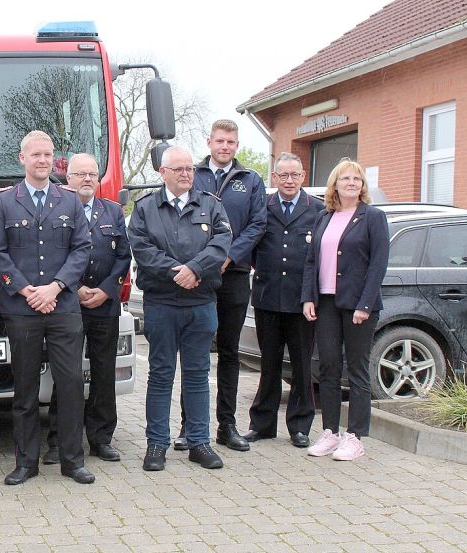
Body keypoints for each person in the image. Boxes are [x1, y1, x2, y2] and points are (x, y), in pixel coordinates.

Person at [0, 130, 94, 485]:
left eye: (48, 155)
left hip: (63, 307)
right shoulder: (3, 202)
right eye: (36, 155)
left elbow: (82, 248)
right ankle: (26, 463)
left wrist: (56, 286)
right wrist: (25, 289)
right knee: (25, 389)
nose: (43, 160)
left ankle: (72, 460)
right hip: (23, 308)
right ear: (22, 159)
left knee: (71, 384)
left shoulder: (69, 200)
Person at [128, 145, 232, 471]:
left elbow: (221, 243)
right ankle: (156, 443)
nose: (187, 174)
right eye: (179, 169)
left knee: (198, 374)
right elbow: (143, 249)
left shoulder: (211, 206)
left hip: (201, 303)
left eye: (190, 168)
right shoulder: (145, 209)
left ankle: (199, 442)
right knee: (161, 374)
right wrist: (180, 273)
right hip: (162, 304)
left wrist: (196, 269)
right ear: (162, 172)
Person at [176, 119, 265, 453]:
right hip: (197, 276)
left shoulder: (251, 180)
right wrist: (202, 262)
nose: (225, 147)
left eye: (231, 142)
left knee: (229, 352)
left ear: (236, 145)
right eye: (219, 141)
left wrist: (228, 256)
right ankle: (189, 426)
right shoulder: (192, 175)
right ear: (209, 142)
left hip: (234, 275)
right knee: (195, 352)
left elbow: (258, 225)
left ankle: (227, 425)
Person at [43, 153, 131, 465]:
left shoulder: (113, 211)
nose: (88, 180)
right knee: (66, 375)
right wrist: (75, 287)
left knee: (104, 374)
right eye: (80, 174)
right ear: (68, 178)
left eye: (92, 174)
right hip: (69, 303)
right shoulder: (57, 211)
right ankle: (57, 441)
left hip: (104, 305)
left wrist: (108, 290)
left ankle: (101, 439)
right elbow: (53, 256)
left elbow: (123, 255)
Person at [302, 158, 389, 461]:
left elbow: (378, 264)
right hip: (325, 302)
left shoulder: (372, 217)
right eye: (345, 179)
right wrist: (308, 297)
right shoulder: (324, 217)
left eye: (357, 179)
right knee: (327, 366)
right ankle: (330, 432)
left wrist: (365, 304)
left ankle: (355, 436)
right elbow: (312, 261)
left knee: (356, 369)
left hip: (357, 306)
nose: (351, 183)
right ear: (335, 184)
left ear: (362, 186)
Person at [243, 153, 322, 448]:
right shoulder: (263, 207)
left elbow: (320, 257)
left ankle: (300, 426)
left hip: (302, 302)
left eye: (295, 175)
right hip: (267, 298)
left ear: (303, 177)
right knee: (269, 365)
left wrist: (310, 296)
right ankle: (262, 424)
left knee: (301, 366)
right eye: (283, 176)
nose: (289, 181)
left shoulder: (317, 210)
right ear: (274, 178)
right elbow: (252, 247)